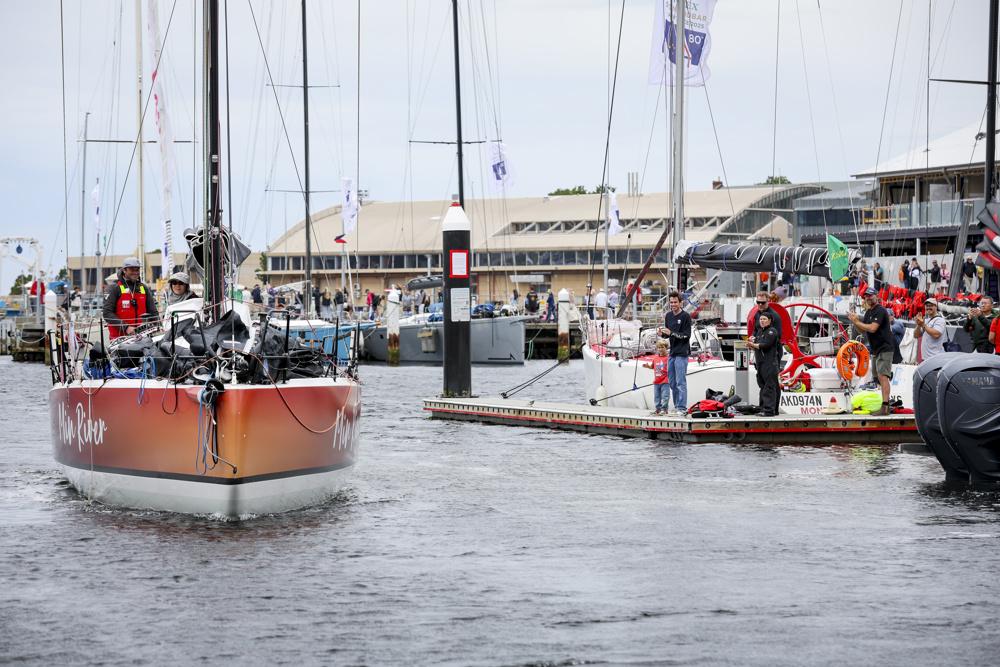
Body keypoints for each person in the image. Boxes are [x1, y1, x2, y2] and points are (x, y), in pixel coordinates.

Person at [847, 287, 893, 416]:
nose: (868, 298)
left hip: (884, 348)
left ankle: (885, 406)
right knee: (879, 378)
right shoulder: (868, 312)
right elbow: (862, 331)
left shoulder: (880, 310)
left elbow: (872, 328)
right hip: (875, 349)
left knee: (883, 377)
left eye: (870, 295)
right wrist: (855, 322)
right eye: (866, 296)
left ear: (876, 297)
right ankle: (884, 405)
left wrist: (857, 321)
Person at [103, 257, 159, 339]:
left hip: (142, 337)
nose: (135, 272)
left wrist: (159, 328)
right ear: (124, 270)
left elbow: (153, 312)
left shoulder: (143, 288)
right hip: (120, 338)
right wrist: (125, 327)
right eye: (132, 270)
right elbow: (107, 313)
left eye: (137, 270)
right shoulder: (113, 288)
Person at [656, 291, 691, 416]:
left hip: (682, 353)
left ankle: (682, 408)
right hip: (672, 353)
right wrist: (662, 334)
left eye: (675, 302)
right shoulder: (669, 316)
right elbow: (668, 334)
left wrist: (671, 334)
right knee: (672, 382)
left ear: (681, 303)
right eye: (671, 302)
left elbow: (686, 335)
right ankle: (677, 407)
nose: (673, 304)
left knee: (680, 382)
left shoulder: (686, 316)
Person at [750, 311, 781, 417]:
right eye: (760, 319)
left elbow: (766, 345)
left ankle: (769, 410)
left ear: (770, 320)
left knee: (769, 386)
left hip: (770, 363)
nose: (762, 321)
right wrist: (751, 345)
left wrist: (753, 345)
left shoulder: (772, 331)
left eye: (764, 319)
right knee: (762, 386)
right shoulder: (759, 332)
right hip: (761, 363)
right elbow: (756, 346)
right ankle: (763, 408)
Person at [642, 339, 671, 415]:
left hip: (665, 381)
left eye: (662, 347)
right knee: (657, 397)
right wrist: (648, 366)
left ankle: (664, 409)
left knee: (665, 396)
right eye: (659, 347)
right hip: (657, 382)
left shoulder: (668, 358)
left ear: (666, 348)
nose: (660, 349)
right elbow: (653, 367)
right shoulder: (655, 358)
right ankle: (658, 409)